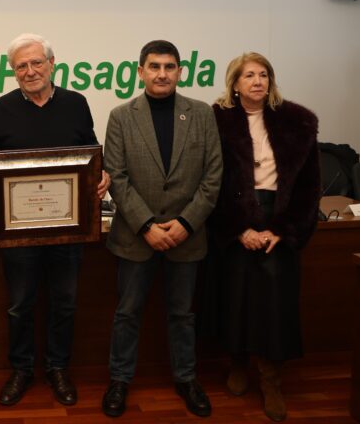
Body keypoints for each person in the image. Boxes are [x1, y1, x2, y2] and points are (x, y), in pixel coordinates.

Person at [0, 33, 109, 407]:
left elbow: (93, 154)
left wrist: (102, 175)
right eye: (20, 66)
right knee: (19, 304)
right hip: (17, 233)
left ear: (52, 64)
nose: (29, 71)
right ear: (13, 72)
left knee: (64, 302)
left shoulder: (76, 104)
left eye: (36, 63)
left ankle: (58, 368)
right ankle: (22, 369)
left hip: (69, 227)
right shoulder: (0, 108)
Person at [101, 40, 222, 418]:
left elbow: (213, 176)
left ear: (179, 72)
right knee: (127, 313)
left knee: (183, 314)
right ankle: (119, 381)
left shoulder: (202, 114)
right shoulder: (122, 116)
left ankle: (187, 379)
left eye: (169, 67)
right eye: (154, 67)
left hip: (187, 237)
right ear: (140, 72)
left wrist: (185, 223)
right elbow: (116, 177)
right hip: (137, 237)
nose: (162, 74)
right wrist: (148, 226)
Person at [211, 52, 320, 422]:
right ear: (235, 84)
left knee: (274, 304)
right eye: (249, 76)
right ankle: (238, 363)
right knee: (236, 297)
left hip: (279, 219)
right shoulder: (216, 121)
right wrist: (239, 229)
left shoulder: (298, 122)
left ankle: (271, 379)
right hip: (236, 217)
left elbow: (308, 187)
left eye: (263, 75)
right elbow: (213, 183)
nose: (257, 81)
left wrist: (282, 231)